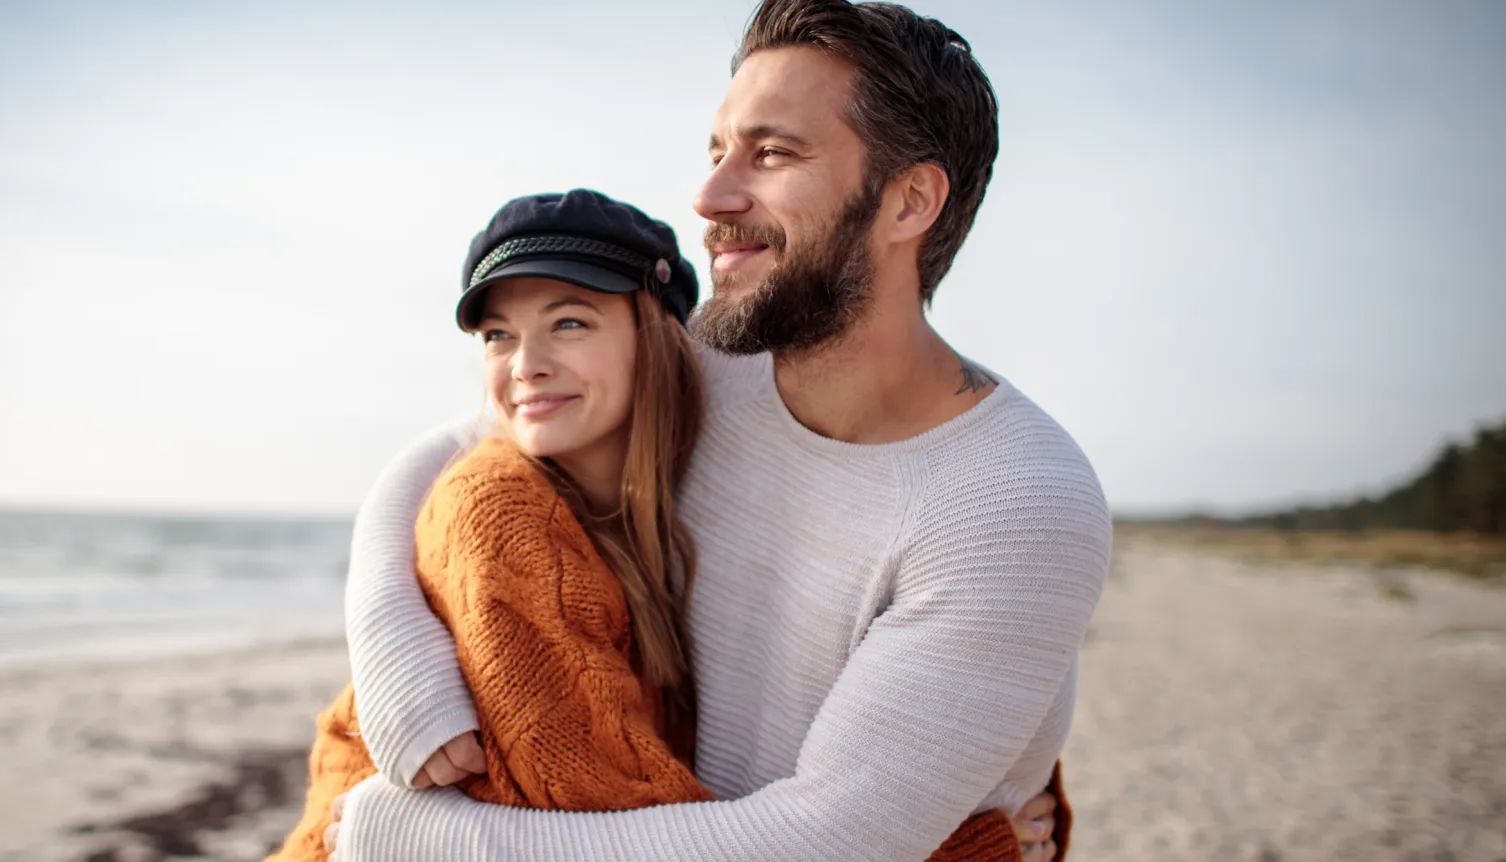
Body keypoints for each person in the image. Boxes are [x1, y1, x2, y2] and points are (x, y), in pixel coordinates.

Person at [332, 1, 1110, 859]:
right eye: (717, 152)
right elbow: (450, 448)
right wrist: (392, 645)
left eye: (772, 153)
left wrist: (417, 838)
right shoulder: (716, 363)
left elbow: (823, 843)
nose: (710, 196)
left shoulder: (1013, 502)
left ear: (909, 200)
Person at [268, 189, 1061, 862]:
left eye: (569, 322)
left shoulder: (665, 481)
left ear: (658, 337)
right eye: (497, 336)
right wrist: (959, 846)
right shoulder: (502, 515)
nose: (525, 364)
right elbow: (607, 823)